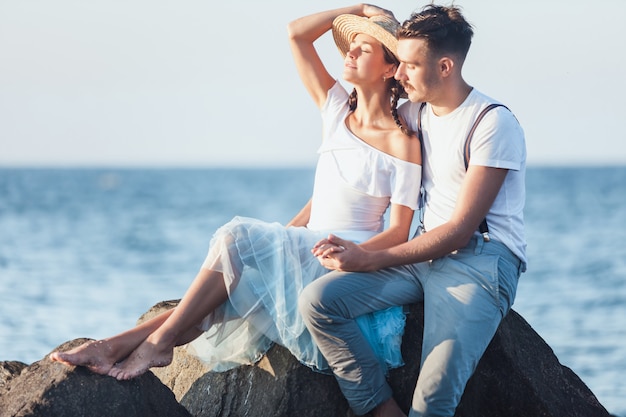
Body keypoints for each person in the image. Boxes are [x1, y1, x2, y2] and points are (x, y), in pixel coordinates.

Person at [49, 4, 422, 381]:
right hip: (306, 243)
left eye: (365, 48)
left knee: (235, 238)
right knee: (228, 282)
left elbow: (399, 232)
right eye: (350, 45)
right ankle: (114, 346)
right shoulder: (336, 108)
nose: (351, 53)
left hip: (342, 257)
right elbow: (297, 33)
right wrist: (358, 7)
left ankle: (155, 342)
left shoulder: (402, 141)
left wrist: (354, 255)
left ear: (390, 68)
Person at [300, 4, 527, 417]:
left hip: (477, 262)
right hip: (421, 257)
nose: (400, 75)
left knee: (433, 399)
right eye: (398, 63)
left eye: (408, 64)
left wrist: (369, 258)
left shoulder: (493, 123)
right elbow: (361, 141)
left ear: (444, 66)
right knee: (318, 301)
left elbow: (460, 230)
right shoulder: (413, 113)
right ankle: (382, 409)